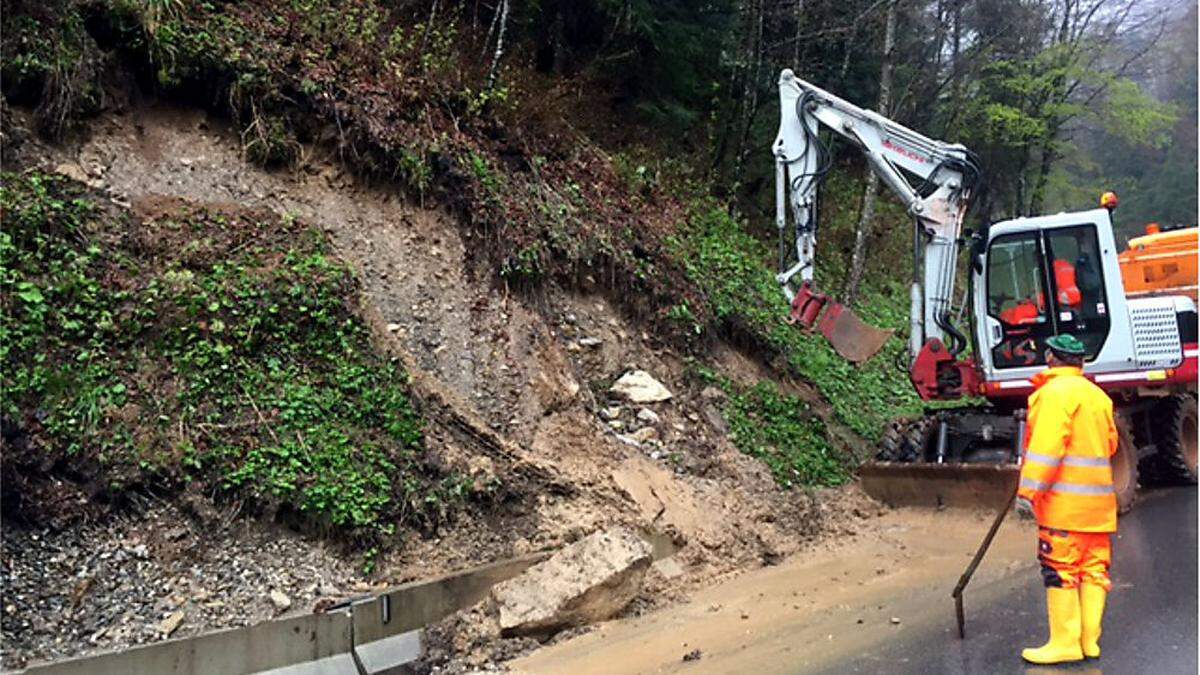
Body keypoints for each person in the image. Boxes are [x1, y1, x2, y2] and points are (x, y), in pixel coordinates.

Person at [1016, 333, 1118, 664]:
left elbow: (1047, 449)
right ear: (1080, 362)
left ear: (1050, 358)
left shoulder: (1051, 395)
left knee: (1060, 571)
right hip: (1099, 507)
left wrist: (1027, 492)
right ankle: (1090, 641)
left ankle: (1064, 642)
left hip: (1063, 509)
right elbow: (1111, 444)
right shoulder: (1098, 397)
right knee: (1093, 571)